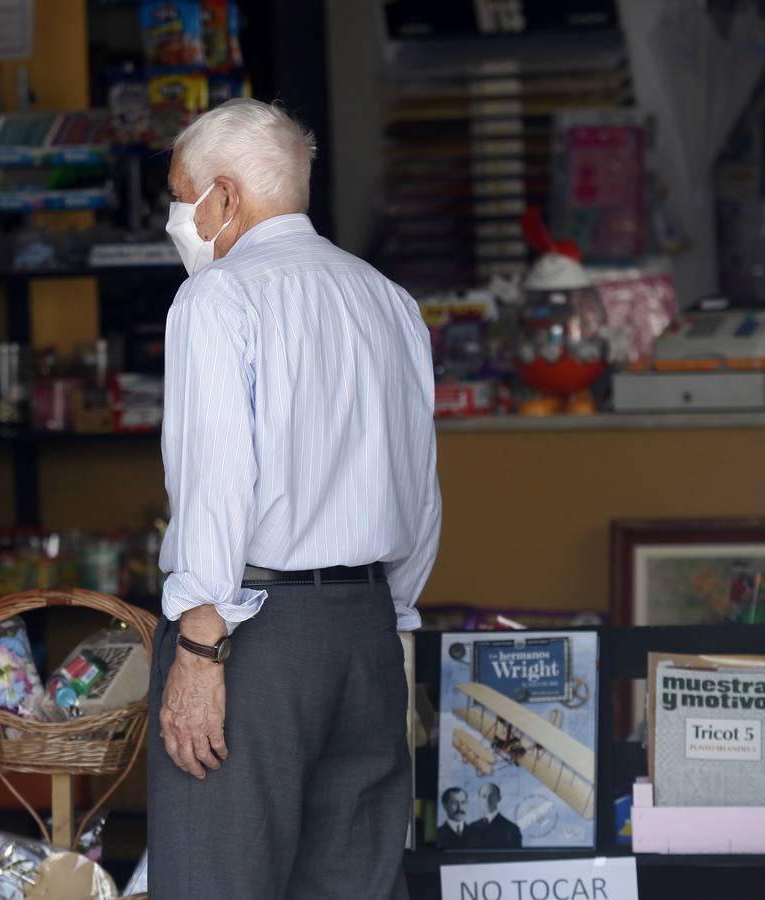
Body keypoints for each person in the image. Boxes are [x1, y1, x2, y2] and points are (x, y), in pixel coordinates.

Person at [147, 98, 442, 900]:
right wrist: (395, 616)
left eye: (182, 195)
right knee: (354, 881)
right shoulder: (388, 299)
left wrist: (200, 647)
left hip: (254, 638)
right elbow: (420, 485)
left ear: (225, 197)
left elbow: (213, 481)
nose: (178, 217)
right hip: (367, 630)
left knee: (219, 880)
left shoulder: (218, 298)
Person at [472, 782, 523, 849]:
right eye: (484, 796)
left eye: (492, 795)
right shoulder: (472, 827)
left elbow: (516, 857)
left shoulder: (511, 829)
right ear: (479, 799)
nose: (487, 800)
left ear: (499, 798)